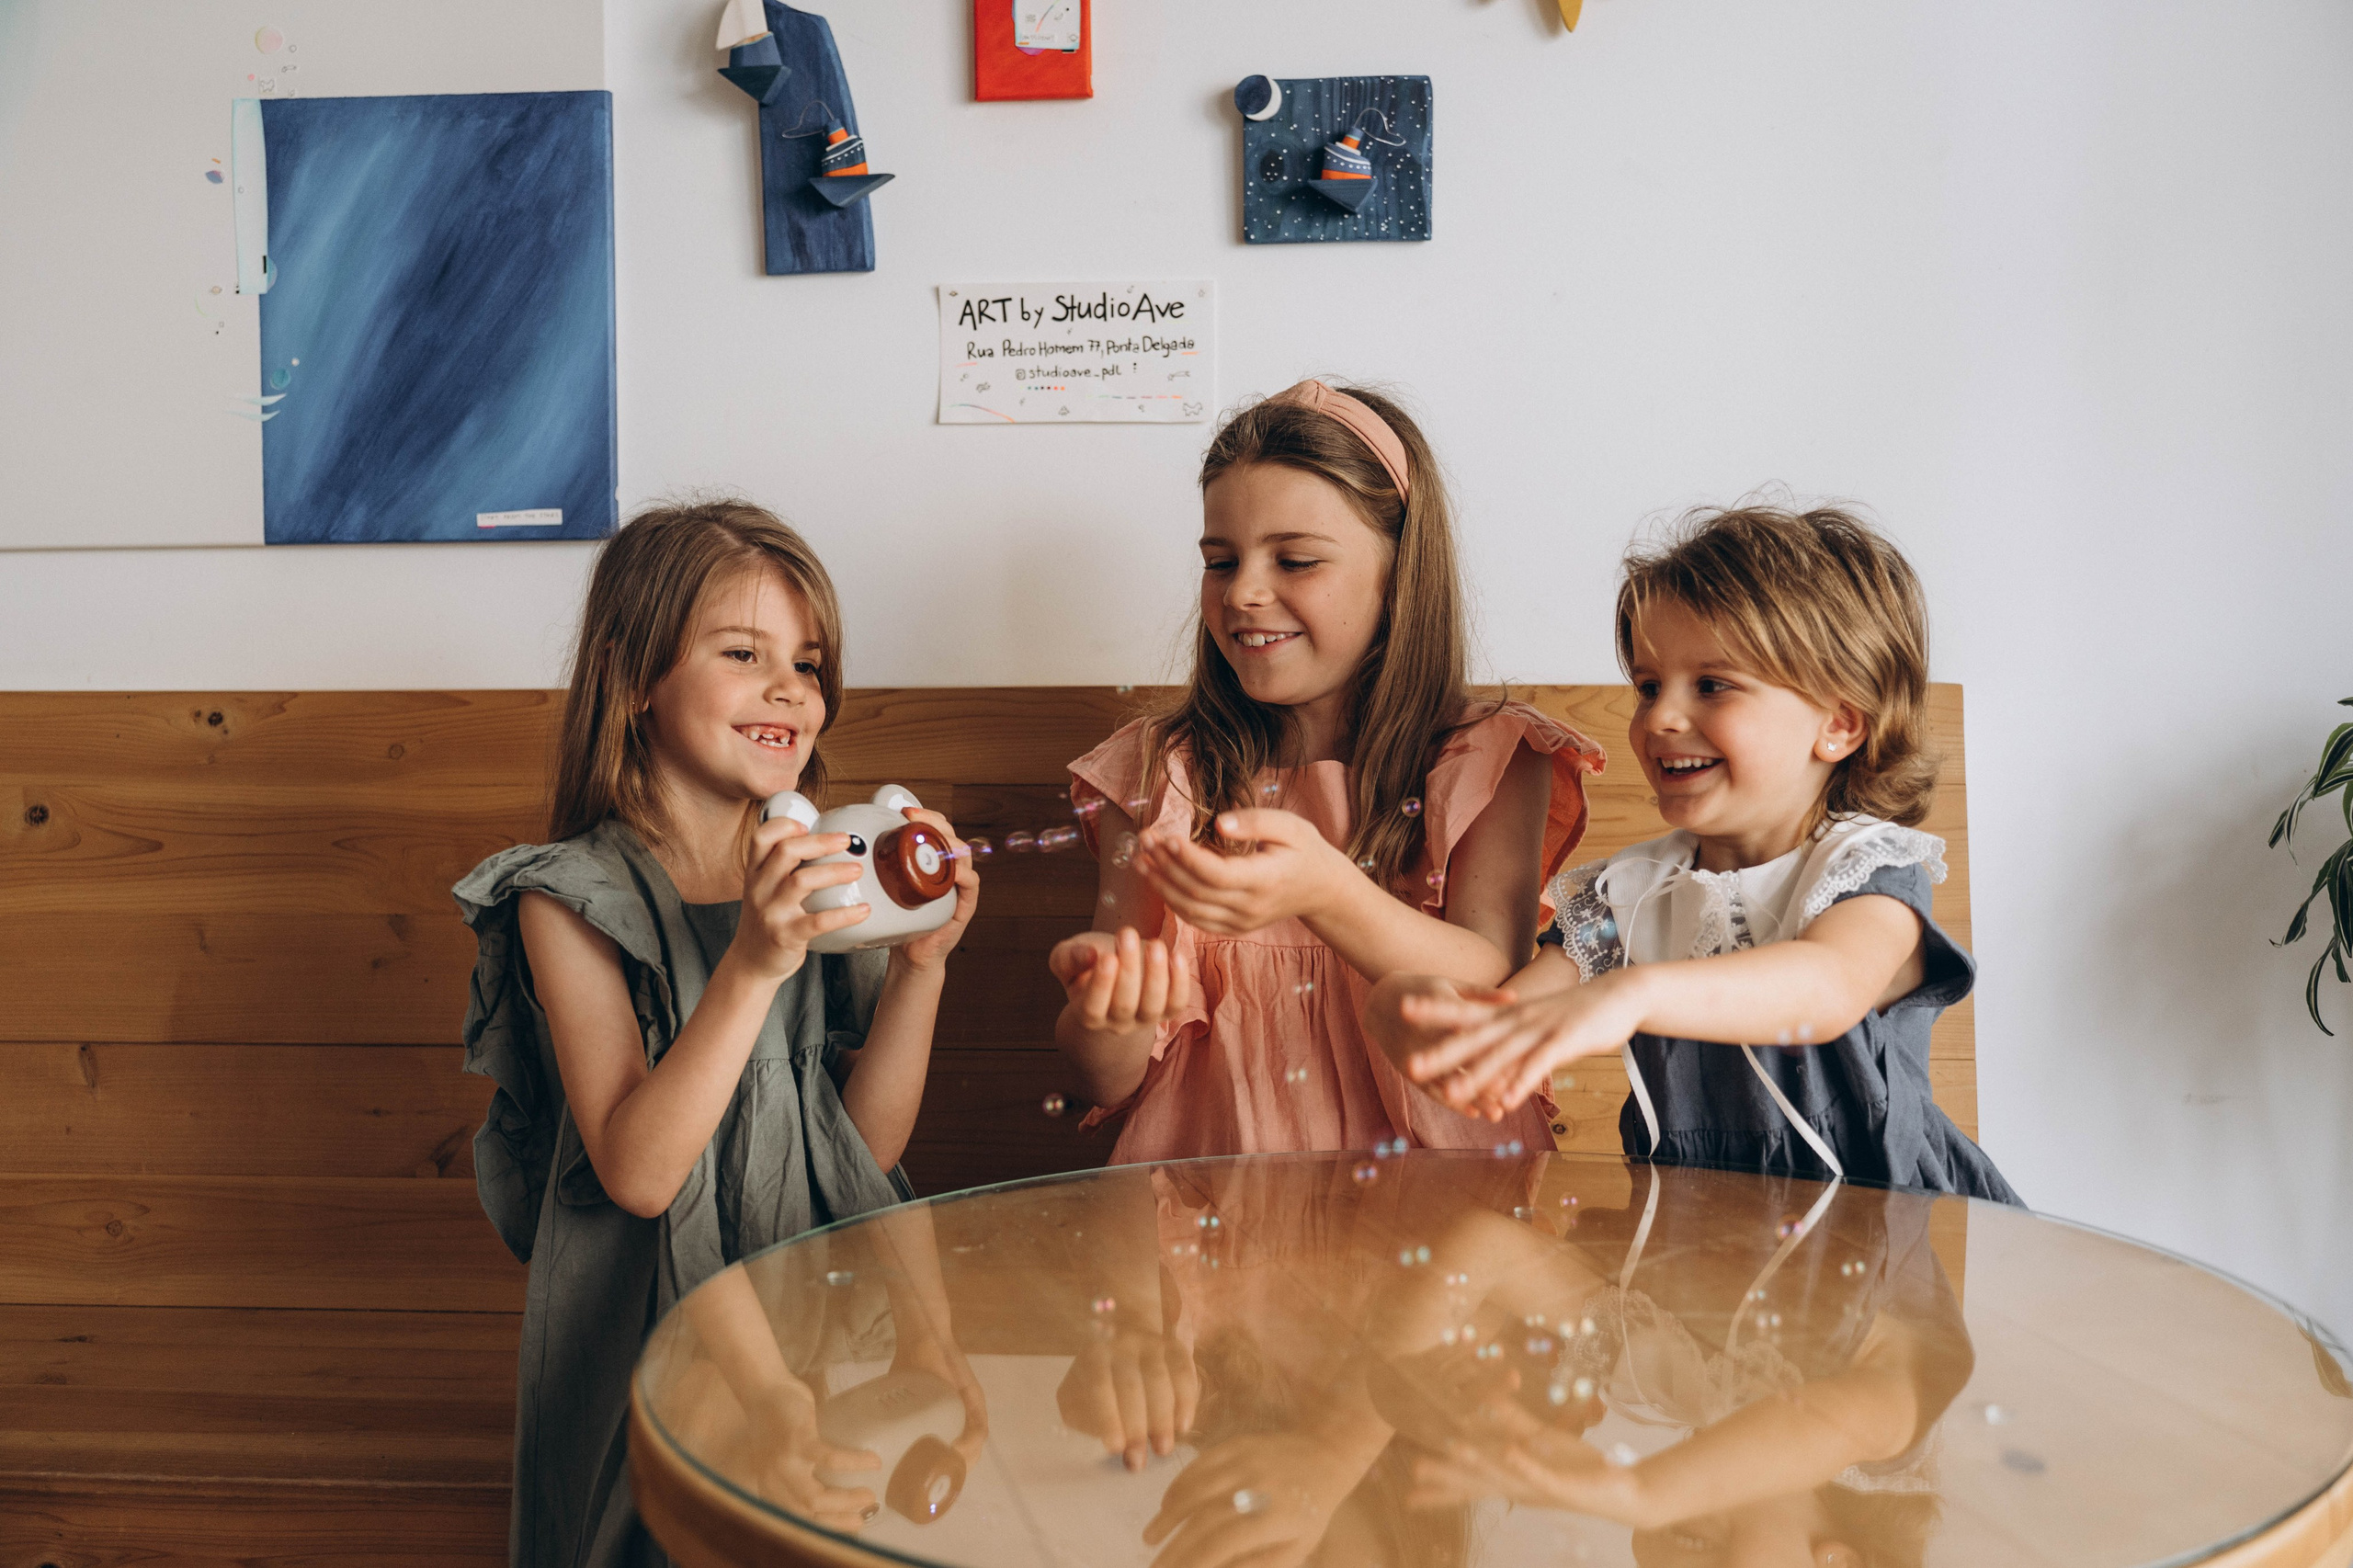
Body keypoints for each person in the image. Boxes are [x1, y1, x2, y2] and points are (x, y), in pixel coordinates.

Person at [453, 498, 980, 1566]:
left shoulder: (819, 873)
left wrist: (920, 967)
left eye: (809, 662)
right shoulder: (568, 898)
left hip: (812, 1321)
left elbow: (864, 1148)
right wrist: (752, 962)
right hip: (654, 1346)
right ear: (632, 677)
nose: (791, 686)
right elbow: (642, 1172)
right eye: (744, 653)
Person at [1368, 506, 2015, 1200]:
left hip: (1884, 1230)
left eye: (1712, 685)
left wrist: (1633, 993)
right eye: (1649, 687)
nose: (1660, 718)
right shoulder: (1632, 894)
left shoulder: (1865, 870)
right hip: (1694, 1227)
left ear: (1838, 724)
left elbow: (1828, 989)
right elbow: (1509, 1018)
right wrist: (1417, 1013)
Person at [1051, 381, 1603, 1161]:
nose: (1243, 592)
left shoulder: (1486, 758)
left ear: (1400, 573)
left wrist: (1326, 891)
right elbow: (1101, 1080)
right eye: (1220, 562)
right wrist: (1108, 1019)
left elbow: (1489, 982)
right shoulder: (1161, 773)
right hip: (1209, 1190)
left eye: (1297, 560)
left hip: (1443, 1195)